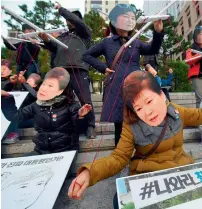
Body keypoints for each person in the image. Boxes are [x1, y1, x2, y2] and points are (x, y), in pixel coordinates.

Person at [68, 71, 202, 208]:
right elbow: (118, 158)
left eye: (149, 101)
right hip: (149, 180)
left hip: (182, 175)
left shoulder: (175, 111)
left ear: (161, 95)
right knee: (120, 201)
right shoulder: (131, 125)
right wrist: (89, 173)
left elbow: (198, 115)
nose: (148, 111)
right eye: (138, 108)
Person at [83, 4, 164, 145]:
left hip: (136, 87)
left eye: (132, 18)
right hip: (116, 88)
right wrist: (103, 68)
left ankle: (141, 153)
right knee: (120, 125)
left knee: (140, 120)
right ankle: (120, 157)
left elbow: (154, 49)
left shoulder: (136, 43)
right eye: (125, 16)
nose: (130, 20)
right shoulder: (107, 42)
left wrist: (157, 32)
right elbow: (87, 55)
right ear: (114, 21)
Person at [1, 67, 92, 155]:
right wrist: (7, 97)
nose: (45, 88)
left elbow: (80, 130)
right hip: (42, 151)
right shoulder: (36, 105)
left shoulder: (72, 105)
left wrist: (80, 117)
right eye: (44, 84)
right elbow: (14, 116)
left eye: (50, 86)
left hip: (65, 151)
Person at [39, 2, 95, 139]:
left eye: (72, 18)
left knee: (85, 99)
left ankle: (90, 126)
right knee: (63, 101)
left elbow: (77, 21)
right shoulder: (62, 36)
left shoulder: (84, 33)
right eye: (67, 18)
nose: (69, 20)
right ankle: (67, 126)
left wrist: (61, 10)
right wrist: (46, 40)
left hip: (79, 70)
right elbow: (54, 47)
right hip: (61, 72)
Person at [1, 59, 19, 144]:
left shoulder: (14, 79)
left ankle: (13, 134)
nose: (1, 71)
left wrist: (12, 82)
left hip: (11, 110)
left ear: (10, 70)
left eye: (4, 69)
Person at [186, 25, 202, 108]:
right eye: (201, 34)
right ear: (195, 37)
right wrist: (200, 55)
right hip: (197, 76)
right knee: (200, 98)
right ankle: (199, 119)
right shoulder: (191, 49)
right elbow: (189, 60)